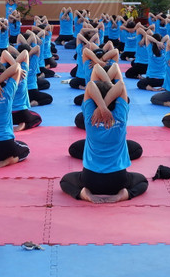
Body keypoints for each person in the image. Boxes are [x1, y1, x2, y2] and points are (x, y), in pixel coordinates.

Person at [61, 69, 148, 203]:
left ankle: (83, 193)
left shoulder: (90, 117)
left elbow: (90, 85)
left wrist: (101, 107)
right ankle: (124, 194)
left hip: (90, 179)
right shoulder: (120, 114)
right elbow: (121, 85)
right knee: (142, 181)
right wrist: (106, 106)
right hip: (118, 180)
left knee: (65, 180)